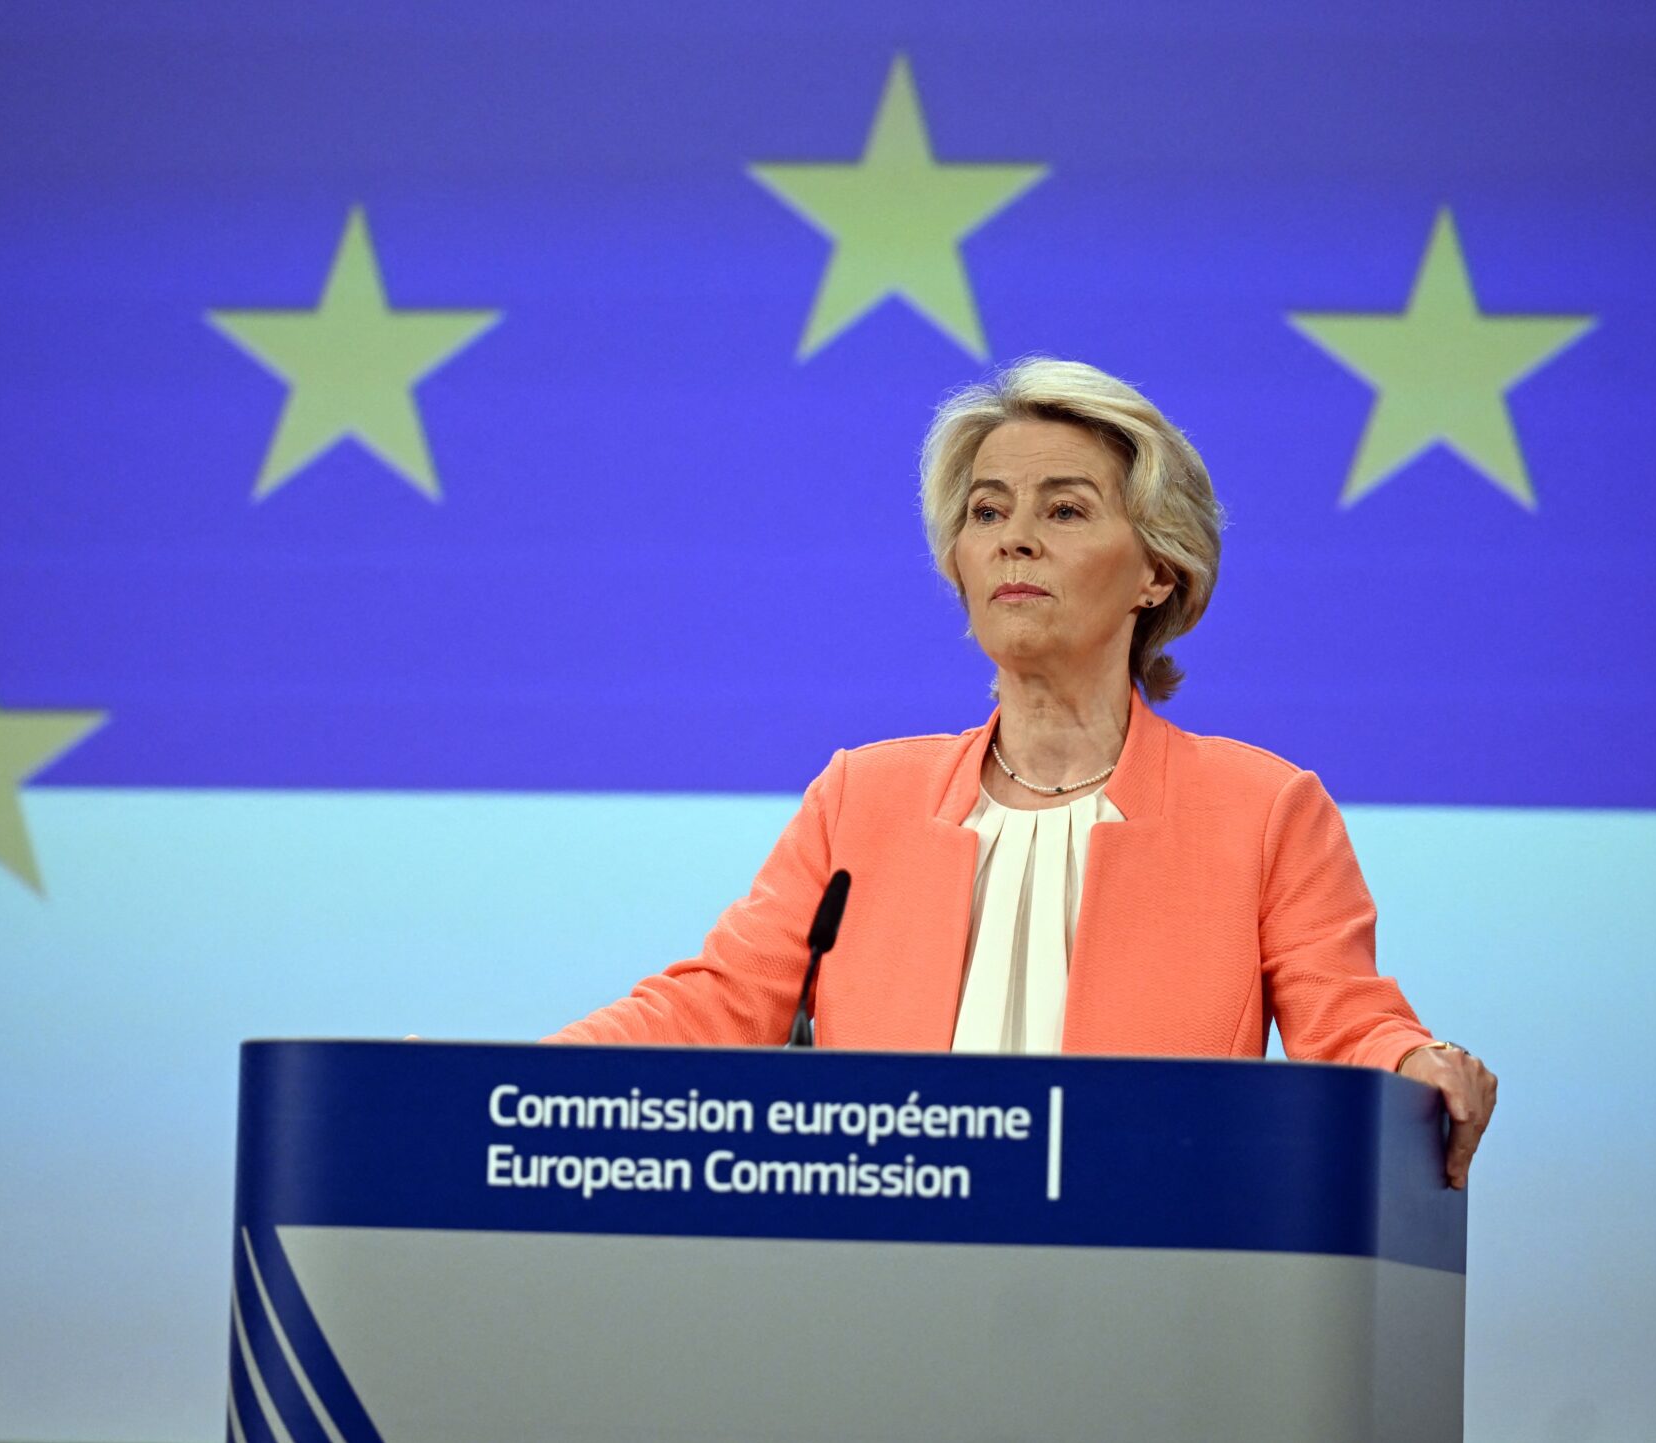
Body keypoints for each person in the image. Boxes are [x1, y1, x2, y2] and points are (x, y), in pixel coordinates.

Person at [551, 359, 1496, 1188]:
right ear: (957, 562)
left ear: (1157, 572)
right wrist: (507, 1079)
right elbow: (718, 1003)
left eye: (1066, 510)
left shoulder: (1263, 811)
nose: (1015, 538)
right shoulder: (859, 798)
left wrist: (1422, 1058)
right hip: (881, 1283)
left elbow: (1350, 1024)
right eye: (988, 511)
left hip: (1146, 1289)